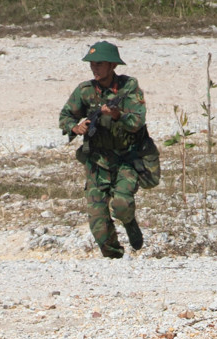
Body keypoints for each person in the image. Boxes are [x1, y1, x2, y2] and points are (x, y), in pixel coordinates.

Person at [57, 41, 158, 260]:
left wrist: (117, 116)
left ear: (112, 65)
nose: (95, 68)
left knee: (121, 205)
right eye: (92, 64)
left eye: (100, 63)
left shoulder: (129, 88)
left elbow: (137, 122)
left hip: (126, 159)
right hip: (97, 162)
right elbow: (65, 116)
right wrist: (75, 127)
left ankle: (129, 222)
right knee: (98, 224)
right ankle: (114, 259)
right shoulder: (85, 91)